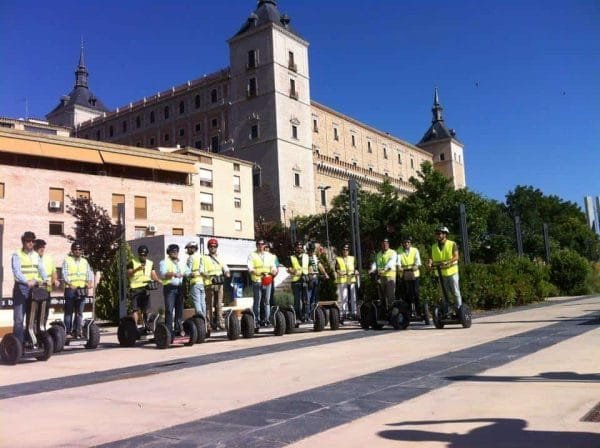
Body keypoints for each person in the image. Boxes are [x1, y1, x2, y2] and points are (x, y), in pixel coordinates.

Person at [11, 231, 46, 344]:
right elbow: (16, 272)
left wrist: (47, 279)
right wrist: (27, 281)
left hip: (34, 289)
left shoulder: (36, 255)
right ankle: (18, 345)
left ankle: (30, 341)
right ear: (23, 242)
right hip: (21, 288)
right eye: (28, 241)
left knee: (32, 318)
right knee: (19, 319)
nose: (31, 243)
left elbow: (41, 269)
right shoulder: (17, 254)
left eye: (32, 241)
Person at [62, 241, 94, 338]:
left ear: (82, 251)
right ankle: (67, 332)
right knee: (69, 311)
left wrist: (89, 282)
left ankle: (77, 331)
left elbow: (89, 272)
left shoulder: (85, 261)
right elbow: (64, 273)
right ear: (72, 250)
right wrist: (69, 283)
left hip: (82, 289)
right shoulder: (67, 260)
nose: (77, 251)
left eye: (79, 249)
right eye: (75, 249)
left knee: (79, 312)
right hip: (71, 290)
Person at [428, 226, 463, 311]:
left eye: (439, 233)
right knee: (444, 293)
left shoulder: (452, 244)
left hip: (452, 272)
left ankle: (459, 310)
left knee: (455, 292)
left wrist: (448, 262)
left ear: (445, 234)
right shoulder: (433, 246)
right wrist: (429, 263)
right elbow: (431, 257)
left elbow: (456, 257)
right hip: (441, 273)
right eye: (436, 234)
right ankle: (447, 311)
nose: (438, 235)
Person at [159, 244, 189, 336]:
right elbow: (163, 274)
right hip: (170, 289)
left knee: (179, 310)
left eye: (176, 251)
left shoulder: (181, 263)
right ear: (169, 252)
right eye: (173, 251)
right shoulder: (163, 262)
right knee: (169, 309)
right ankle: (168, 332)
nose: (175, 253)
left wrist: (193, 274)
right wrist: (174, 274)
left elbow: (188, 271)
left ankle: (178, 329)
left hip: (180, 288)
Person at [247, 239, 277, 327]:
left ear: (264, 245)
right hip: (257, 280)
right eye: (258, 244)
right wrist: (253, 272)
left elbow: (273, 266)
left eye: (262, 244)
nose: (260, 246)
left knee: (267, 301)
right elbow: (249, 267)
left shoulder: (270, 256)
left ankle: (266, 320)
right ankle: (256, 319)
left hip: (267, 280)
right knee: (257, 301)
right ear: (256, 245)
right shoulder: (252, 255)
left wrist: (274, 271)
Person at [127, 245, 159, 326]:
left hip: (145, 288)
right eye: (141, 255)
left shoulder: (150, 263)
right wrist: (137, 269)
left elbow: (153, 274)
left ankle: (146, 326)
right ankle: (135, 327)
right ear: (138, 254)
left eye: (144, 255)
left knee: (146, 309)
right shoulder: (132, 262)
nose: (143, 256)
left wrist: (158, 280)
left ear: (147, 254)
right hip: (135, 289)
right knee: (135, 310)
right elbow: (129, 274)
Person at [202, 238, 230, 331]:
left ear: (216, 247)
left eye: (214, 246)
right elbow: (201, 271)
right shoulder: (204, 258)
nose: (212, 248)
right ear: (208, 247)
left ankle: (220, 322)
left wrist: (226, 273)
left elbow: (225, 268)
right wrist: (209, 276)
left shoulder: (220, 258)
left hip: (219, 283)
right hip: (209, 284)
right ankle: (209, 324)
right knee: (209, 305)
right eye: (210, 246)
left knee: (219, 304)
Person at [397, 236, 427, 321]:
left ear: (410, 243)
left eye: (408, 242)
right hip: (404, 274)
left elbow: (418, 261)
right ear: (402, 243)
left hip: (414, 274)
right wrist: (399, 267)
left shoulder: (415, 250)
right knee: (406, 294)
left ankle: (419, 311)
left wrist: (416, 266)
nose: (406, 244)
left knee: (416, 293)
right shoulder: (399, 251)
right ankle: (408, 312)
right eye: (405, 242)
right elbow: (398, 262)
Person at [369, 238, 397, 309]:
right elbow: (375, 263)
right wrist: (372, 269)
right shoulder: (379, 254)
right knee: (382, 295)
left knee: (390, 295)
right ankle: (383, 311)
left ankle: (392, 311)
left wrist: (385, 269)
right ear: (381, 245)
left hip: (390, 276)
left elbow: (391, 263)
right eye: (383, 244)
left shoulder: (393, 252)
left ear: (388, 244)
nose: (385, 245)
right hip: (381, 277)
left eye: (386, 244)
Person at [335, 243, 359, 320]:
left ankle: (354, 312)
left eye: (347, 250)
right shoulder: (338, 259)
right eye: (344, 250)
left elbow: (356, 268)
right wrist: (339, 272)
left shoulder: (352, 258)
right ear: (342, 251)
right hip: (342, 279)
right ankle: (345, 312)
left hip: (351, 279)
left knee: (353, 297)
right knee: (343, 297)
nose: (345, 251)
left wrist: (356, 272)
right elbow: (336, 269)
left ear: (349, 251)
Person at [306, 242, 329, 319]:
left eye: (313, 250)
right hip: (309, 277)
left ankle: (314, 313)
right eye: (310, 250)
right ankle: (308, 314)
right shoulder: (305, 257)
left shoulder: (315, 257)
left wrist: (325, 273)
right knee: (308, 297)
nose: (312, 252)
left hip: (316, 277)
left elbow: (319, 266)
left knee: (315, 297)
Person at [287, 241, 310, 322]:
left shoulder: (307, 256)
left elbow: (310, 267)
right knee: (297, 301)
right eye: (298, 247)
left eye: (300, 247)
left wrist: (309, 275)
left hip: (305, 280)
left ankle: (306, 316)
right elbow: (288, 269)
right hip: (296, 281)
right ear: (295, 248)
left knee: (306, 300)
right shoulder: (291, 257)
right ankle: (297, 317)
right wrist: (293, 271)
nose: (299, 249)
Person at [185, 241, 206, 320]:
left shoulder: (190, 258)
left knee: (197, 302)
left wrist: (187, 275)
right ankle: (206, 320)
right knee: (203, 303)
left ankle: (200, 320)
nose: (187, 250)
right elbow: (202, 270)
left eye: (188, 249)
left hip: (194, 282)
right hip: (201, 282)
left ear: (192, 248)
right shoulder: (201, 257)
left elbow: (188, 271)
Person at [265, 242, 280, 307]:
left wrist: (271, 276)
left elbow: (277, 269)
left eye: (267, 247)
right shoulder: (258, 256)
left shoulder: (273, 257)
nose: (266, 249)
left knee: (270, 297)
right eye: (265, 247)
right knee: (261, 298)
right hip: (260, 279)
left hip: (269, 279)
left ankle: (271, 312)